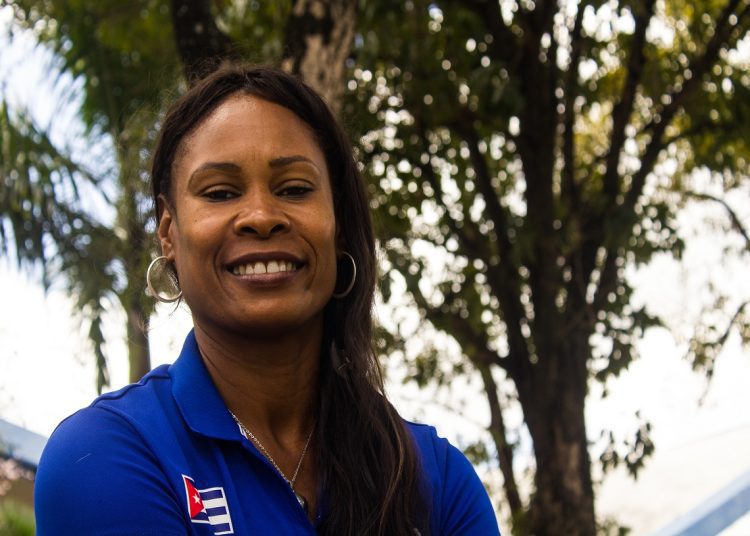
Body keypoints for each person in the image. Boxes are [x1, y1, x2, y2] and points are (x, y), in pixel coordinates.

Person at [34, 64, 500, 535]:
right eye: (220, 192)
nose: (261, 216)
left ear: (337, 224)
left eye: (295, 189)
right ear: (168, 232)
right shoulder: (106, 453)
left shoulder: (436, 480)